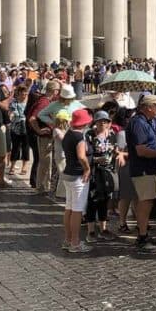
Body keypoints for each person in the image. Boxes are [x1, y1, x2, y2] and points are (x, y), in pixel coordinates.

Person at [126, 94, 156, 253]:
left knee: (147, 202)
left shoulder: (145, 120)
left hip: (149, 168)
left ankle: (143, 233)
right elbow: (141, 150)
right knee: (145, 202)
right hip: (143, 168)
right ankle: (142, 236)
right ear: (148, 107)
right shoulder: (138, 123)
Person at [84, 110, 119, 244]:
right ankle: (91, 231)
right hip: (94, 171)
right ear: (95, 122)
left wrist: (117, 154)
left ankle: (103, 228)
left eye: (106, 121)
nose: (103, 124)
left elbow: (114, 150)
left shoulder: (111, 135)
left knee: (105, 199)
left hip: (108, 172)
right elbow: (85, 154)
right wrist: (96, 160)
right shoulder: (90, 135)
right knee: (93, 200)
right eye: (100, 121)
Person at [61, 109, 93, 254]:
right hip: (78, 176)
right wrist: (87, 168)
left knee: (69, 208)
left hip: (68, 174)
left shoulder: (68, 134)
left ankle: (68, 240)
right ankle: (75, 242)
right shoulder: (79, 137)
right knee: (77, 210)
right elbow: (81, 156)